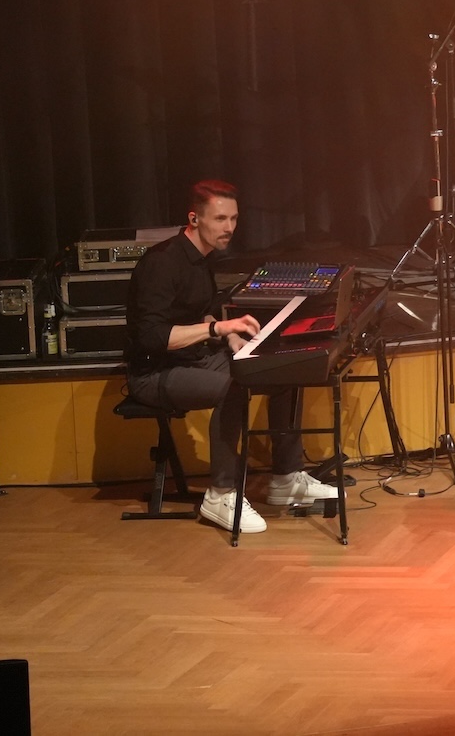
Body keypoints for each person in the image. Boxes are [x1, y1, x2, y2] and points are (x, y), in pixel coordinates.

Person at [124, 179, 335, 534]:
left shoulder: (202, 259)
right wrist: (217, 329)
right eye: (220, 219)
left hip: (195, 358)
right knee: (231, 387)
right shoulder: (162, 263)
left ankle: (285, 478)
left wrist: (232, 337)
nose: (230, 227)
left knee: (282, 370)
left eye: (234, 219)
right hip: (154, 372)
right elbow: (152, 338)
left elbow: (200, 312)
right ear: (194, 219)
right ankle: (220, 493)